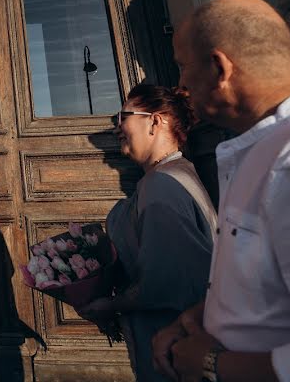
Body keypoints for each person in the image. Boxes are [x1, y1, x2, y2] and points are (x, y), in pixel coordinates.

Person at [152, 0, 290, 382]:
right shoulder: (264, 148)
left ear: (218, 68)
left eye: (182, 66)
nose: (179, 84)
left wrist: (213, 364)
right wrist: (207, 314)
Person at [79, 84, 217, 382]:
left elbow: (165, 280)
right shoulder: (171, 176)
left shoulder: (163, 184)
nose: (117, 128)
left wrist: (110, 305)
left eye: (123, 117)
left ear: (156, 120)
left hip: (173, 350)